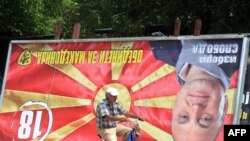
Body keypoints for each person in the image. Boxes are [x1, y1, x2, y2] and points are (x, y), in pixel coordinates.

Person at [150, 39, 241, 141]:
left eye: (183, 116)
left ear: (175, 102)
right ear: (224, 107)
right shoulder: (244, 50)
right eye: (205, 119)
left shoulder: (159, 48)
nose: (196, 108)